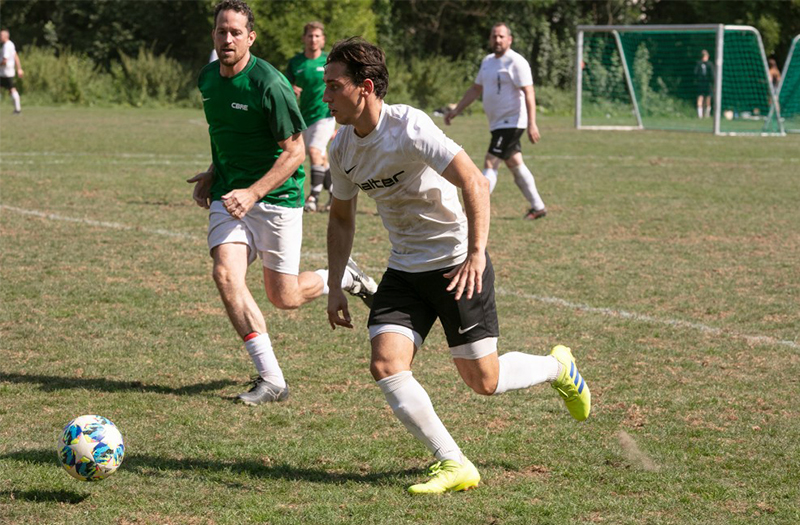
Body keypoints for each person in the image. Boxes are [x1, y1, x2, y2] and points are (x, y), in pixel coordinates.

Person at [324, 37, 591, 495]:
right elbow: (341, 218)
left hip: (455, 263)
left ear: (365, 88)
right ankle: (453, 463)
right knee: (386, 364)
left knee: (483, 382)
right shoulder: (341, 148)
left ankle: (557, 368)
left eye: (333, 86)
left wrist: (476, 252)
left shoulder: (409, 127)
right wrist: (334, 284)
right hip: (405, 269)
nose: (325, 96)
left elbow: (473, 181)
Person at [187, 1, 377, 406]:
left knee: (284, 297)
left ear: (250, 37)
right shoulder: (207, 79)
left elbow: (294, 152)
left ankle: (343, 277)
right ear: (213, 35)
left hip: (276, 197)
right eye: (221, 31)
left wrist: (254, 192)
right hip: (230, 196)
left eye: (236, 32)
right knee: (226, 274)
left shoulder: (268, 84)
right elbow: (224, 134)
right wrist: (212, 172)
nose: (227, 39)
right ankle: (271, 378)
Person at [445, 23, 546, 220]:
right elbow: (475, 89)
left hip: (512, 122)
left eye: (501, 36)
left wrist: (532, 123)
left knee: (490, 164)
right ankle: (538, 207)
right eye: (494, 36)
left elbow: (529, 91)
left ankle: (470, 213)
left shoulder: (517, 62)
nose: (497, 40)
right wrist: (456, 110)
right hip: (498, 124)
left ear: (510, 39)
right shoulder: (488, 61)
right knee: (515, 164)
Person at [286, 21, 336, 213]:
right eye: (310, 36)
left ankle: (312, 197)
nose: (313, 39)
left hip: (325, 115)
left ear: (323, 40)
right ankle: (334, 193)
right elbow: (284, 87)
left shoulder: (329, 62)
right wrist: (291, 88)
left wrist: (339, 119)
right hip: (303, 117)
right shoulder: (295, 62)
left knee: (314, 151)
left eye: (317, 36)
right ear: (304, 39)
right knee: (321, 157)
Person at [0, 29, 24, 115]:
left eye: (1, 35)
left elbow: (5, 60)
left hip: (4, 72)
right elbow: (16, 56)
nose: (0, 37)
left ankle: (18, 110)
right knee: (11, 89)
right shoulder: (11, 44)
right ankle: (17, 109)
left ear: (6, 36)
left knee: (12, 89)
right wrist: (19, 68)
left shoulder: (6, 45)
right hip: (9, 71)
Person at [694, 49, 714, 119]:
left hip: (708, 84)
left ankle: (707, 114)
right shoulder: (698, 64)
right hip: (701, 84)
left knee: (708, 99)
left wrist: (712, 82)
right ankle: (700, 115)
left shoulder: (710, 64)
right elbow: (695, 73)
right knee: (700, 98)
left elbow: (712, 75)